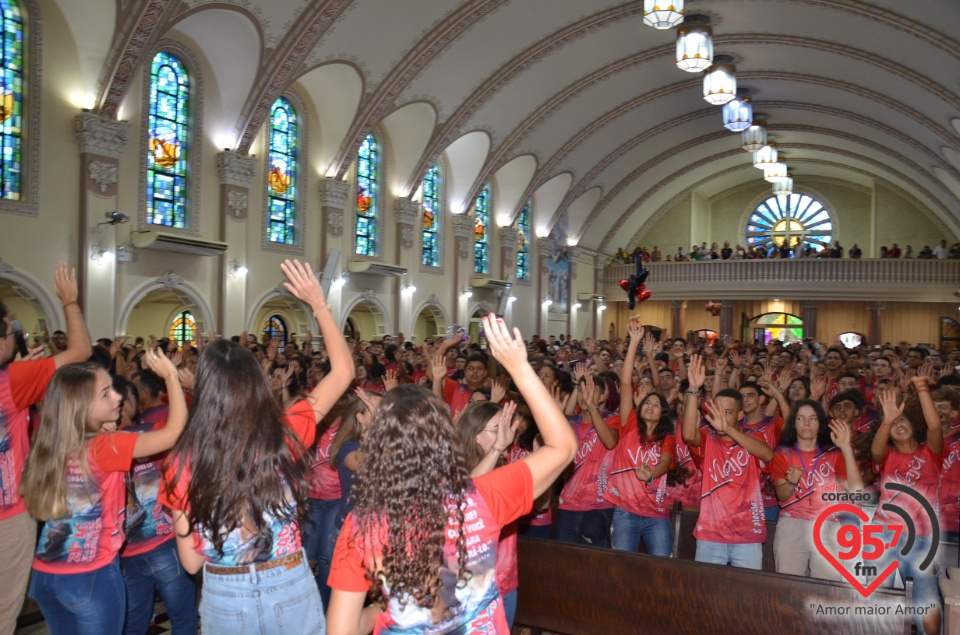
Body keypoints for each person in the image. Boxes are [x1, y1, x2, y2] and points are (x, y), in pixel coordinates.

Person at [326, 314, 578, 635]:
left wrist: (389, 604)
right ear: (447, 440)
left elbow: (341, 631)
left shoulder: (364, 524)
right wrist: (519, 368)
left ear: (380, 445)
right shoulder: (482, 498)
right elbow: (563, 447)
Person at [158, 260, 354, 635]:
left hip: (225, 595)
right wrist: (318, 304)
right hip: (289, 581)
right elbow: (343, 372)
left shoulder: (180, 461)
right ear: (257, 383)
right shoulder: (286, 431)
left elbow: (191, 563)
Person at [21, 348, 186, 635]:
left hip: (46, 574)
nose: (119, 397)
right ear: (82, 406)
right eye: (106, 394)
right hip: (90, 574)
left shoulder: (48, 444)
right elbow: (174, 433)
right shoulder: (107, 446)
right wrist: (171, 375)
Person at [0, 263, 91, 635]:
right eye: (11, 329)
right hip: (7, 519)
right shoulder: (12, 381)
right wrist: (69, 302)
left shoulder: (16, 380)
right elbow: (81, 350)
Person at [682, 355, 774, 570]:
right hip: (710, 533)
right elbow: (687, 435)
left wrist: (730, 430)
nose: (721, 417)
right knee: (708, 594)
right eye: (717, 411)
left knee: (747, 595)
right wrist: (694, 390)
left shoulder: (754, 439)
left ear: (741, 414)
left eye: (728, 413)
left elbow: (768, 455)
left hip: (747, 535)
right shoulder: (707, 438)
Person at [871, 382, 942, 635]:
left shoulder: (932, 453)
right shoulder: (887, 455)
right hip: (883, 535)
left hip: (922, 539)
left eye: (903, 420)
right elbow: (875, 452)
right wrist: (887, 419)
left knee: (927, 605)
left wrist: (922, 387)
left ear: (913, 425)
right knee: (880, 604)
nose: (898, 424)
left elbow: (935, 426)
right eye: (893, 423)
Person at [769, 400, 863, 579]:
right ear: (793, 423)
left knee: (825, 590)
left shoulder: (834, 453)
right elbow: (782, 495)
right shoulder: (783, 453)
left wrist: (846, 447)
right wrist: (791, 483)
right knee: (790, 587)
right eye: (801, 418)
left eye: (812, 418)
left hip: (828, 524)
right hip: (793, 524)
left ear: (820, 423)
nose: (806, 423)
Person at [605, 319, 676, 556]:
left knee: (661, 570)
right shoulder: (629, 426)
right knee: (622, 570)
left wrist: (651, 475)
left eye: (657, 405)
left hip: (656, 513)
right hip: (626, 511)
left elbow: (665, 462)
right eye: (647, 402)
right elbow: (625, 384)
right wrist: (634, 342)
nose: (650, 406)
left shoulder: (667, 437)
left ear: (663, 414)